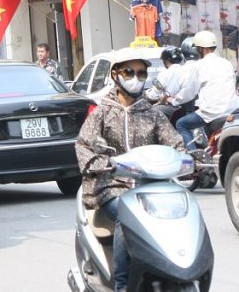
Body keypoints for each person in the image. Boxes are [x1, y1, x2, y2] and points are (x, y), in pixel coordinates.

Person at [76, 48, 184, 292]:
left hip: (151, 187)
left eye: (141, 73)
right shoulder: (101, 112)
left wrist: (186, 159)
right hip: (111, 187)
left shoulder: (152, 113)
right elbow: (84, 146)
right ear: (115, 74)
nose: (136, 77)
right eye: (129, 71)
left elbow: (175, 143)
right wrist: (104, 165)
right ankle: (122, 286)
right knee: (129, 215)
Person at [172, 30, 239, 148]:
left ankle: (195, 157)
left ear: (200, 49)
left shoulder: (199, 66)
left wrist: (174, 101)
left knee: (181, 124)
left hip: (212, 113)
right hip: (232, 109)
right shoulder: (226, 63)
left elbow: (189, 92)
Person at [149, 47, 189, 119]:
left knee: (150, 112)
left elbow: (154, 94)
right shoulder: (186, 70)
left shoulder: (165, 73)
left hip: (174, 107)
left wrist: (147, 94)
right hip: (187, 107)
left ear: (166, 61)